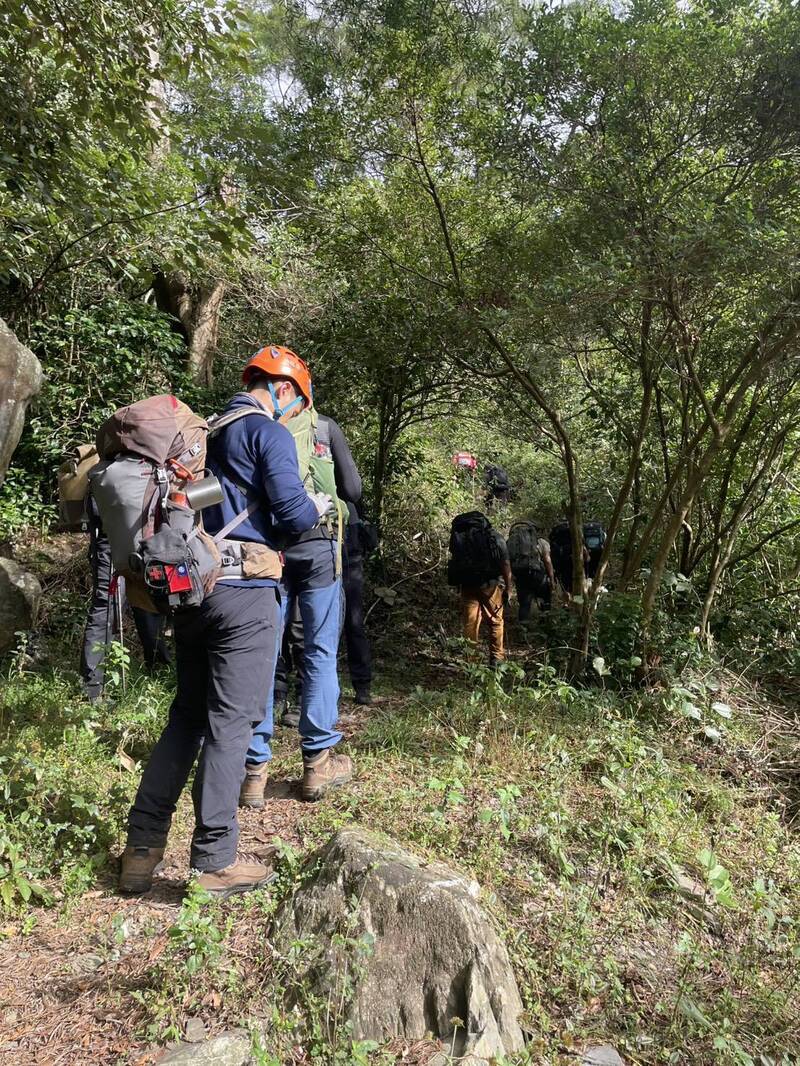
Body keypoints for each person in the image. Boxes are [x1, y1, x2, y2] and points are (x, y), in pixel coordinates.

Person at [119, 345, 325, 899]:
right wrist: (316, 507)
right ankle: (213, 860)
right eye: (299, 402)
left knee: (187, 715)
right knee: (233, 721)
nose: (297, 412)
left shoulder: (206, 431)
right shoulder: (268, 433)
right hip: (247, 595)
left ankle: (142, 849)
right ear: (284, 390)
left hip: (194, 591)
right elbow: (292, 512)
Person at [239, 410, 359, 808]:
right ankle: (316, 764)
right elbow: (354, 490)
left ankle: (254, 772)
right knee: (320, 652)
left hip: (269, 549)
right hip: (320, 546)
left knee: (265, 655)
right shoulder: (324, 428)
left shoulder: (256, 430)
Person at [80, 495, 171, 702]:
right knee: (116, 601)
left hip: (122, 517)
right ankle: (93, 689)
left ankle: (93, 688)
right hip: (127, 520)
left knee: (136, 598)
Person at [448, 511, 512, 665]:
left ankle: (471, 661)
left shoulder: (459, 536)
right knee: (496, 620)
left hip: (467, 584)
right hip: (489, 584)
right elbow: (505, 564)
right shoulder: (493, 536)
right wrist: (509, 587)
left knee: (471, 623)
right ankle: (497, 659)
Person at [342, 501, 375, 705]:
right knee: (353, 624)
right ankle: (362, 686)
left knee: (353, 624)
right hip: (344, 553)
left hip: (349, 554)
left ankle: (362, 685)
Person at [507, 520, 556, 622]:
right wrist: (551, 578)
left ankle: (523, 630)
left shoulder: (511, 543)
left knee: (524, 604)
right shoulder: (541, 542)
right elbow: (547, 561)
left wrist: (510, 580)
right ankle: (546, 625)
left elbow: (508, 561)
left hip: (520, 575)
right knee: (545, 600)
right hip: (538, 575)